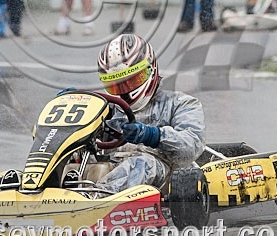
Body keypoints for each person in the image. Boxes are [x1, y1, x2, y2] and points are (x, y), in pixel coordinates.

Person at [87, 34, 205, 194]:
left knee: (142, 164)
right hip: (110, 168)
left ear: (151, 69)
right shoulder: (106, 108)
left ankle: (96, 198)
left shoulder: (181, 103)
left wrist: (152, 135)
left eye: (132, 81)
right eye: (116, 85)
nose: (125, 91)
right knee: (75, 161)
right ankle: (64, 194)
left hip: (164, 173)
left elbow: (192, 146)